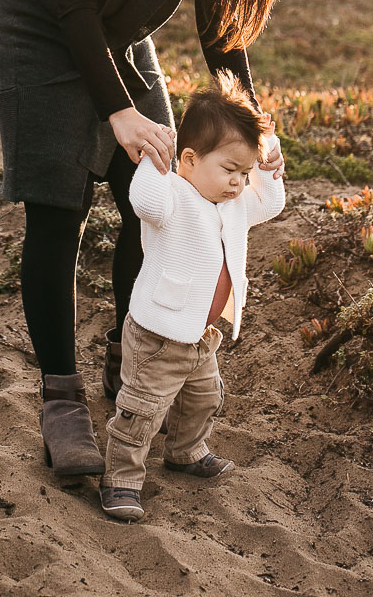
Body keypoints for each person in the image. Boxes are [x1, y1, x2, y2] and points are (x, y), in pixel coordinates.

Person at [0, 0, 283, 481]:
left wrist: (254, 125)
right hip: (45, 36)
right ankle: (62, 403)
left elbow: (221, 34)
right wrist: (118, 110)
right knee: (60, 215)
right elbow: (73, 11)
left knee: (153, 194)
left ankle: (130, 365)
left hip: (117, 40)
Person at [98, 72, 286, 521]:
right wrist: (153, 161)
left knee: (203, 399)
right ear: (188, 158)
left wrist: (267, 166)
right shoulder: (172, 195)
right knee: (142, 410)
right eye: (229, 170)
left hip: (202, 335)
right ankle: (121, 478)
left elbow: (272, 204)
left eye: (244, 173)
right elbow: (143, 202)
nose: (238, 183)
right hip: (158, 334)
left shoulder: (234, 203)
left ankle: (184, 451)